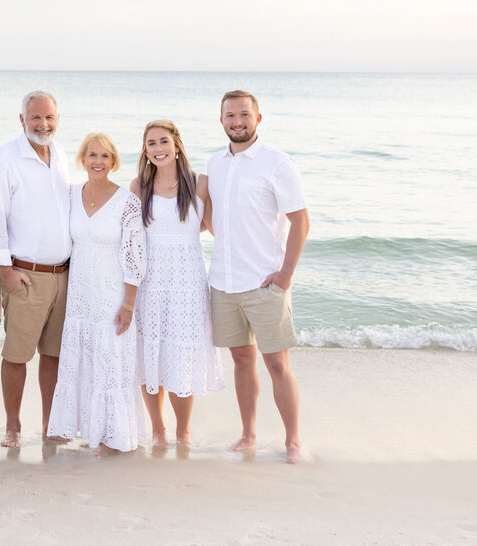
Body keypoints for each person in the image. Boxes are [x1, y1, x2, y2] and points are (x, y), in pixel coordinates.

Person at [208, 91, 310, 463]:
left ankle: (293, 440)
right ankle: (248, 434)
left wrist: (285, 274)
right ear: (221, 120)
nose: (238, 122)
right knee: (241, 361)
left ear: (258, 118)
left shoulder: (277, 163)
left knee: (278, 364)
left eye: (244, 115)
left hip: (265, 283)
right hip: (223, 283)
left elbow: (301, 221)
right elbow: (214, 220)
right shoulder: (215, 164)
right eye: (230, 116)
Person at [0, 90, 72, 447]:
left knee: (54, 355)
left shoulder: (61, 154)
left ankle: (51, 425)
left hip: (62, 276)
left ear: (57, 120)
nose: (43, 124)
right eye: (36, 117)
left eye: (49, 117)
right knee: (17, 356)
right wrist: (6, 272)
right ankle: (13, 427)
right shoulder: (5, 159)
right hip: (25, 276)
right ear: (22, 120)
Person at [46, 133, 146, 452]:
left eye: (105, 156)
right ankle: (80, 428)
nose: (98, 161)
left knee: (108, 357)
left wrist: (129, 303)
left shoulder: (128, 201)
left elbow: (135, 255)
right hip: (79, 292)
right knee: (82, 354)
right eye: (92, 155)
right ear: (82, 159)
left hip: (111, 291)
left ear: (114, 161)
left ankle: (112, 436)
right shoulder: (71, 194)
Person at [130, 120, 224, 448]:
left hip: (187, 284)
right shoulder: (138, 187)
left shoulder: (199, 184)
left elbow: (215, 228)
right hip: (149, 284)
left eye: (164, 141)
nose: (158, 149)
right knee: (149, 355)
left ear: (177, 144)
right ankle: (158, 429)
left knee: (181, 357)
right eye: (151, 143)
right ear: (145, 150)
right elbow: (129, 241)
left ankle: (182, 431)